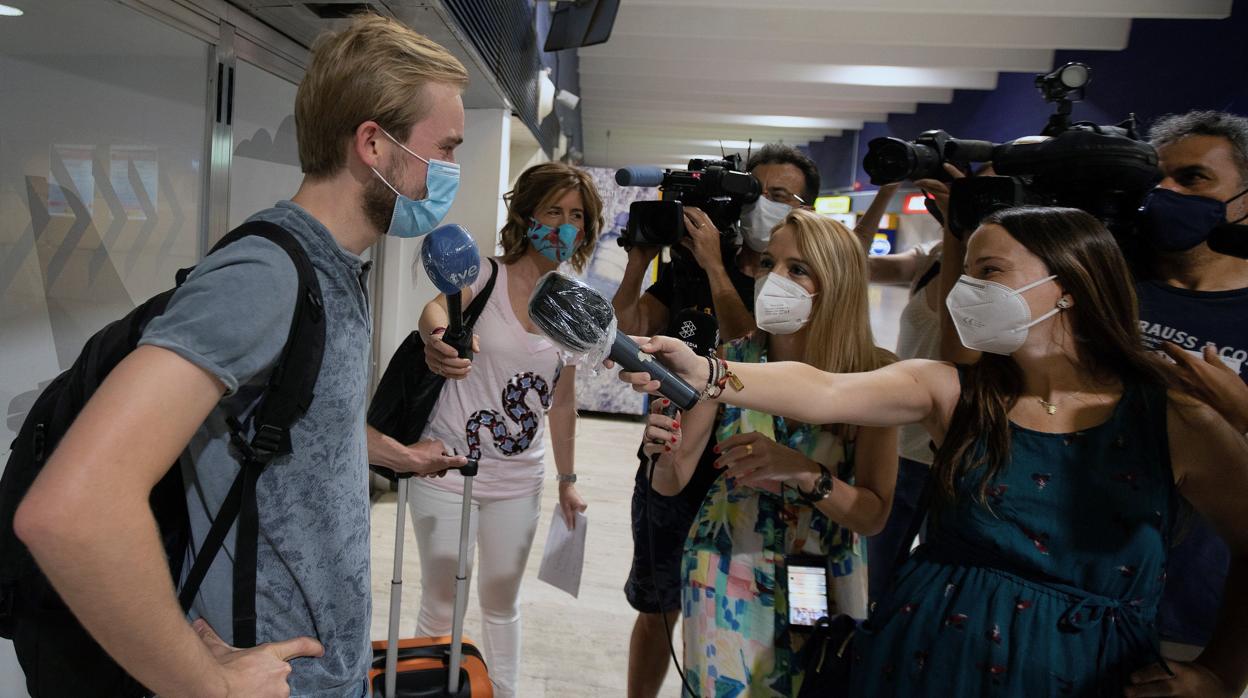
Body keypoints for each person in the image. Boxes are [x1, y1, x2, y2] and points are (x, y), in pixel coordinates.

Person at [13, 15, 469, 697]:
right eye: (447, 149)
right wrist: (210, 685)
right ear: (374, 144)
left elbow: (290, 434)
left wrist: (395, 456)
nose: (452, 172)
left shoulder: (337, 268)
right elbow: (71, 510)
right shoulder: (266, 275)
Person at [617, 206, 1248, 697]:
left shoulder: (1169, 417)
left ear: (1071, 284)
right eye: (964, 271)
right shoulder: (954, 391)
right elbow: (823, 389)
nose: (965, 289)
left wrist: (1223, 674)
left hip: (1082, 672)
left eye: (990, 272)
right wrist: (706, 371)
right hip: (927, 659)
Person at [638, 209, 897, 696]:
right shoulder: (730, 361)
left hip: (821, 572)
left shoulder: (873, 377)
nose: (775, 279)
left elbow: (874, 514)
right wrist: (663, 451)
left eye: (797, 268)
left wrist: (805, 472)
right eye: (768, 264)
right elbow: (672, 480)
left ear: (834, 281)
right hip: (725, 566)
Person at [615, 143, 820, 698]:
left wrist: (714, 265)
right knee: (658, 602)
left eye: (779, 196)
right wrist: (638, 258)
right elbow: (629, 327)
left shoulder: (792, 286)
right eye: (757, 192)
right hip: (676, 447)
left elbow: (747, 343)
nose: (763, 206)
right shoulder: (690, 267)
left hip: (754, 465)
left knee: (742, 607)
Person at [412, 162, 599, 698]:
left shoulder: (572, 305)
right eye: (553, 212)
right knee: (442, 601)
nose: (565, 226)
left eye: (576, 216)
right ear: (526, 216)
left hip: (519, 481)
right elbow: (436, 309)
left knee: (501, 603)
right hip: (447, 469)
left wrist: (568, 477)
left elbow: (562, 402)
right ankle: (428, 689)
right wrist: (439, 335)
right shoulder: (484, 276)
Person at [1132, 110, 1248, 666]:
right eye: (1158, 177)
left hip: (1190, 611)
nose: (1165, 192)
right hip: (1075, 587)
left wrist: (1225, 671)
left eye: (1193, 179)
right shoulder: (1110, 286)